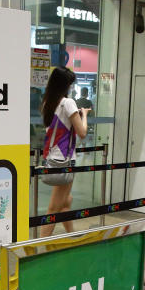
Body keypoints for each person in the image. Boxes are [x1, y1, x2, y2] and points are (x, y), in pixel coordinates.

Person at [38, 66, 88, 238]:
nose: (71, 87)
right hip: (65, 162)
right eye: (69, 84)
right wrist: (85, 116)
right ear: (64, 85)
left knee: (66, 200)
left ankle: (71, 234)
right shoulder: (68, 103)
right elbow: (82, 133)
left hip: (51, 159)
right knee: (53, 208)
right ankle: (41, 246)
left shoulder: (47, 103)